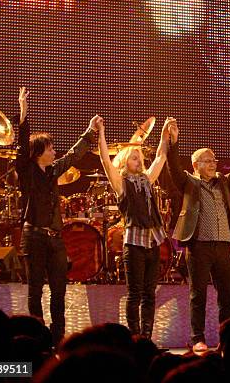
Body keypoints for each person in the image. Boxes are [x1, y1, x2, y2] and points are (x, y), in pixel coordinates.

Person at [166, 119, 230, 352]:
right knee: (197, 295)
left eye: (214, 160)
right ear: (195, 164)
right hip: (198, 245)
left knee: (226, 296)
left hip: (222, 245)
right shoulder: (188, 181)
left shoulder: (222, 181)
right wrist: (173, 142)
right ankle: (197, 338)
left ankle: (228, 339)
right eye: (207, 161)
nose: (213, 164)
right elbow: (172, 166)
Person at [15, 87, 97, 345]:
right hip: (34, 237)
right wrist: (23, 115)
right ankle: (36, 337)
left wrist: (90, 131)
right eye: (50, 148)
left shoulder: (53, 172)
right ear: (38, 152)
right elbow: (21, 147)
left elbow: (73, 155)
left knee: (59, 290)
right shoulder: (28, 172)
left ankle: (58, 334)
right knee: (35, 288)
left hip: (55, 238)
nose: (54, 152)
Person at [96, 115, 174, 338]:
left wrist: (164, 135)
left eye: (139, 157)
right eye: (133, 158)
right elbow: (104, 160)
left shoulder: (147, 179)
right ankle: (134, 336)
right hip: (134, 243)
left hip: (153, 242)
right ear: (123, 163)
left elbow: (160, 156)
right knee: (135, 294)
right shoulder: (121, 183)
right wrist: (101, 133)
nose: (139, 161)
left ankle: (146, 337)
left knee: (150, 294)